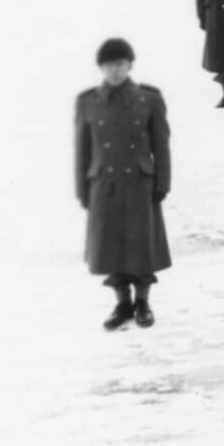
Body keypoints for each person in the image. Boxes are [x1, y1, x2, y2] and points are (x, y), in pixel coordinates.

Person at [76, 38, 171, 330]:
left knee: (140, 245)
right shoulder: (88, 101)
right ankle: (122, 303)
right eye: (108, 65)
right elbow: (82, 149)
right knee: (111, 245)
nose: (114, 70)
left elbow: (161, 145)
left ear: (130, 65)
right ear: (100, 68)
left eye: (119, 64)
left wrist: (162, 183)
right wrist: (82, 189)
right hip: (104, 184)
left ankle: (142, 301)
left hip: (139, 184)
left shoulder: (149, 99)